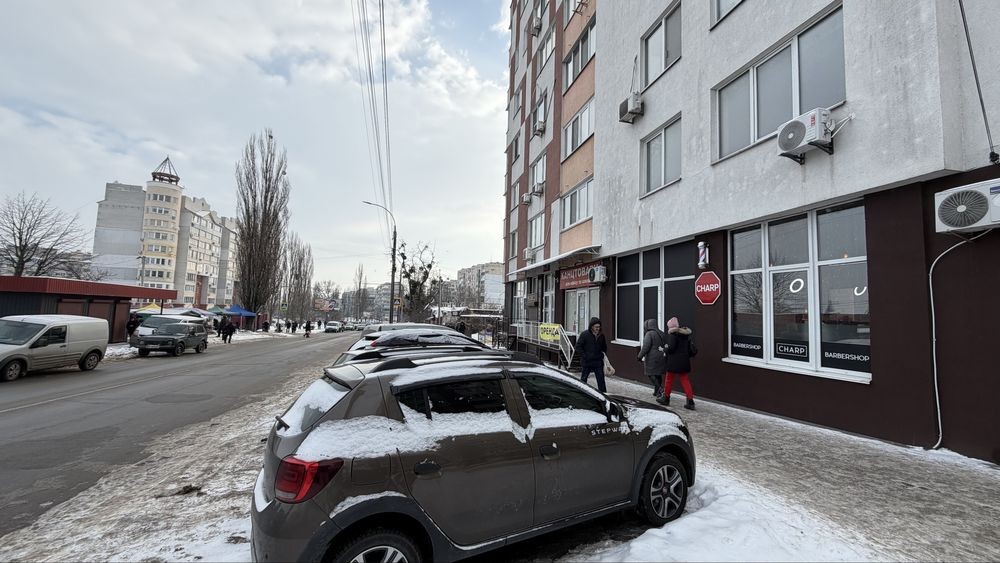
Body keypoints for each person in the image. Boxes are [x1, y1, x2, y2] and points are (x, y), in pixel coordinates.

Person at [664, 316, 698, 410]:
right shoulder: (685, 336)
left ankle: (666, 398)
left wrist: (665, 349)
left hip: (674, 362)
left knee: (669, 379)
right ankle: (690, 401)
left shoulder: (673, 335)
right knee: (685, 380)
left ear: (671, 327)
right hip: (684, 361)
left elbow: (671, 349)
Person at [637, 318, 669, 404]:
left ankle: (660, 390)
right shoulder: (662, 333)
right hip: (661, 356)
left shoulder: (649, 334)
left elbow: (646, 347)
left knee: (650, 373)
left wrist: (639, 356)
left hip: (652, 357)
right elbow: (666, 345)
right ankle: (656, 391)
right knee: (658, 374)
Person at [575, 317, 608, 393]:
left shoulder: (601, 336)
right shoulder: (585, 334)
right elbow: (578, 347)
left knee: (601, 381)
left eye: (599, 327)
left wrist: (602, 355)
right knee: (583, 380)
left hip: (598, 362)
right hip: (587, 362)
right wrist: (584, 356)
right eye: (596, 327)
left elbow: (604, 347)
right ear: (592, 326)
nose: (598, 329)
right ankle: (581, 393)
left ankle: (604, 395)